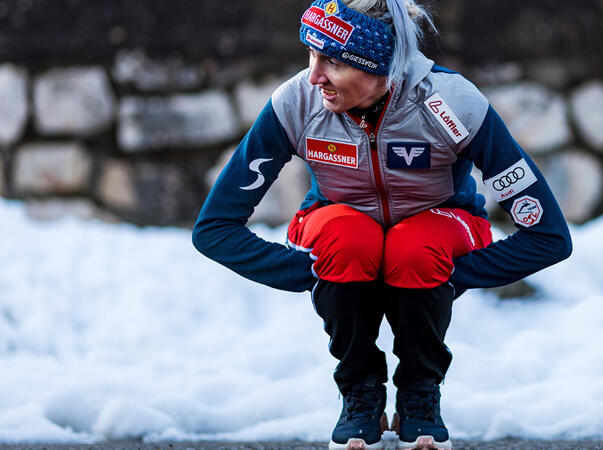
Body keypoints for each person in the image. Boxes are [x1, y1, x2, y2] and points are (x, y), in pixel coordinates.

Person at [193, 0, 572, 448]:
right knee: (348, 239)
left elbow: (549, 237)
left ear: (380, 65)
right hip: (340, 228)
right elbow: (214, 228)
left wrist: (451, 276)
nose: (314, 76)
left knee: (414, 246)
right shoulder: (296, 102)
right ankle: (360, 393)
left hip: (441, 225)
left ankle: (419, 393)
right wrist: (308, 272)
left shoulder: (453, 102)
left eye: (332, 61)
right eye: (311, 56)